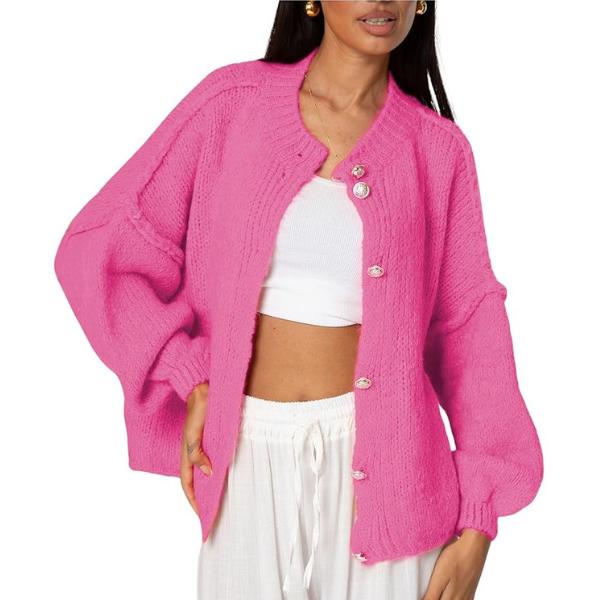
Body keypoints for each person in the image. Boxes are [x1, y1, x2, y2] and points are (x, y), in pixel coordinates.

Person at [54, 1, 544, 599]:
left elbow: (471, 331)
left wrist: (478, 526)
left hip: (395, 480)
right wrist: (191, 375)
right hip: (244, 456)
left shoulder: (438, 151)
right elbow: (101, 247)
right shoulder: (232, 105)